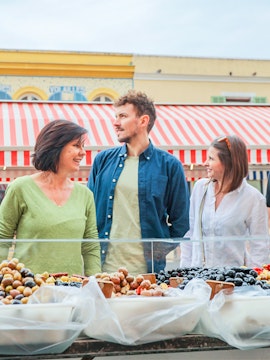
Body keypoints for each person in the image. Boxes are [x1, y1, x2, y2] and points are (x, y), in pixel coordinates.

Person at [88, 90, 190, 274]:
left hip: (148, 275)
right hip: (103, 271)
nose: (115, 122)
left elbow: (181, 222)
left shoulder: (170, 166)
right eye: (116, 116)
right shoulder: (102, 161)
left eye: (123, 116)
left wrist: (157, 252)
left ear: (143, 121)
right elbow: (88, 213)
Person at [0, 119, 101, 276]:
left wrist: (96, 283)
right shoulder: (20, 188)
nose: (83, 152)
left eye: (83, 147)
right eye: (76, 145)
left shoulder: (85, 195)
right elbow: (2, 237)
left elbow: (90, 246)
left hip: (71, 290)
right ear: (55, 147)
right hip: (28, 290)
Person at [180, 134, 269, 268]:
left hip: (233, 282)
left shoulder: (253, 198)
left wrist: (256, 283)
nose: (205, 163)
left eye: (211, 158)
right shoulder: (200, 188)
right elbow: (191, 234)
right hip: (198, 280)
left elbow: (260, 248)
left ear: (228, 163)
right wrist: (183, 274)